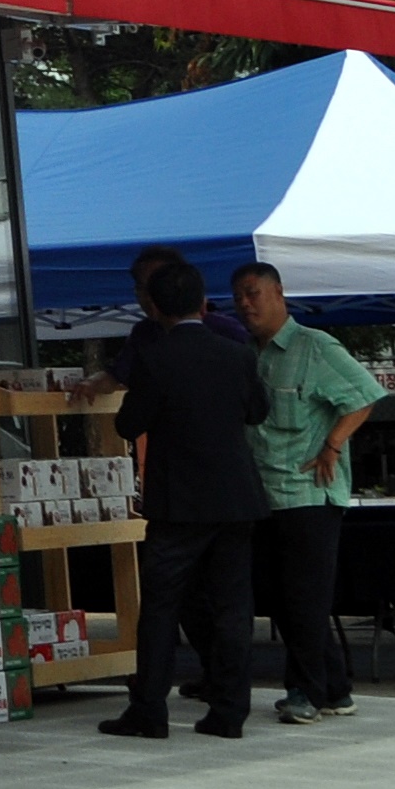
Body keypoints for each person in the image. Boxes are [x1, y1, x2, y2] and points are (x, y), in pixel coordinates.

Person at [105, 254, 268, 742]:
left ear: (155, 307)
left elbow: (128, 424)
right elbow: (257, 412)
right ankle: (229, 712)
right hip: (235, 497)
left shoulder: (155, 359)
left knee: (161, 606)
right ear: (203, 303)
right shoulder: (238, 355)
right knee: (233, 607)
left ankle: (149, 710)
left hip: (177, 501)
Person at [231, 261, 380, 725]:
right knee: (285, 599)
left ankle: (305, 693)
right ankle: (335, 689)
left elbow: (364, 396)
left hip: (309, 494)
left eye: (253, 293)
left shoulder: (315, 346)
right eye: (238, 297)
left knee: (303, 600)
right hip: (264, 494)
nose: (245, 304)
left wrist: (333, 444)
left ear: (278, 292)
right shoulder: (248, 354)